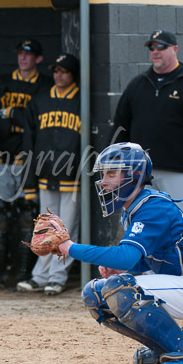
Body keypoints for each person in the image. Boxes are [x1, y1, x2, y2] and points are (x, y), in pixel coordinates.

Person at [58, 142, 183, 364]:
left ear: (135, 175)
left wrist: (70, 247)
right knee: (94, 294)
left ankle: (180, 351)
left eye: (112, 173)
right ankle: (163, 349)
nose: (104, 181)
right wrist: (128, 267)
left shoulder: (154, 207)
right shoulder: (132, 208)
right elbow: (154, 260)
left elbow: (125, 255)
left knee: (122, 290)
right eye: (103, 174)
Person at [0, 39, 53, 288]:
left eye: (28, 54)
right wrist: (18, 122)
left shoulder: (44, 85)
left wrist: (12, 114)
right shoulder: (1, 82)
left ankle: (24, 273)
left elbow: (35, 122)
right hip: (1, 156)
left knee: (27, 216)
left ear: (38, 59)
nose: (23, 58)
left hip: (27, 159)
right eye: (20, 53)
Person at [17, 53, 81, 296]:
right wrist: (29, 179)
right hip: (45, 174)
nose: (59, 75)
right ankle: (40, 276)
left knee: (66, 230)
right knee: (44, 229)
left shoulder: (82, 100)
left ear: (73, 74)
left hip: (72, 177)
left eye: (64, 71)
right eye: (55, 70)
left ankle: (57, 276)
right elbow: (29, 142)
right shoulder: (40, 100)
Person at [112, 29, 183, 209]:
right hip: (140, 171)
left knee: (178, 221)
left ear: (175, 49)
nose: (155, 51)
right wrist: (114, 161)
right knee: (142, 219)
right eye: (151, 47)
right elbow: (121, 125)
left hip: (176, 171)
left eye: (161, 46)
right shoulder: (138, 83)